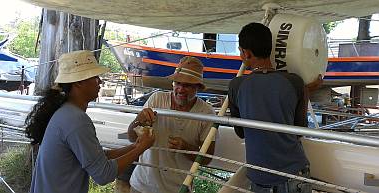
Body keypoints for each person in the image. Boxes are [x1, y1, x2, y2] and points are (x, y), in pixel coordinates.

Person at [25, 50, 155, 193]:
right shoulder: (76, 120)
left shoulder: (65, 112)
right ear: (79, 82)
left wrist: (135, 146)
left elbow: (98, 156)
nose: (100, 81)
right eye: (95, 77)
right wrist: (140, 149)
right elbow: (103, 174)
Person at [228, 22, 316, 193]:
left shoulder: (237, 86)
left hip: (259, 177)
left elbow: (240, 132)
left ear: (246, 53)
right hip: (294, 174)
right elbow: (299, 129)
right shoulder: (295, 82)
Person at [128, 56, 216, 193]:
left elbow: (207, 158)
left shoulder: (206, 112)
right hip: (141, 185)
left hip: (177, 189)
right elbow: (132, 137)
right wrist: (137, 120)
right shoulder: (156, 99)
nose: (180, 89)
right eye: (177, 83)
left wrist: (186, 148)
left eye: (187, 85)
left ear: (198, 87)